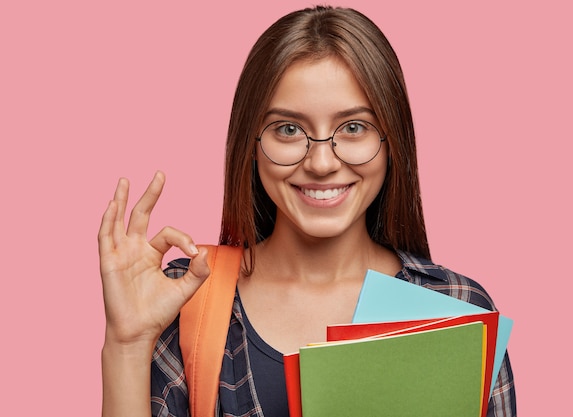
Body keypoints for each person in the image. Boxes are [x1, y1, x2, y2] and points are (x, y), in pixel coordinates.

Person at [99, 5, 516, 417]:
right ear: (250, 143)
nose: (320, 163)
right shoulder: (185, 296)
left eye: (354, 127)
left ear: (393, 141)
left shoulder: (457, 309)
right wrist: (127, 343)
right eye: (288, 129)